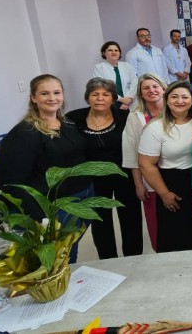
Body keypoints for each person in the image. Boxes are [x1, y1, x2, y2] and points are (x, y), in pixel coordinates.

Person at [0, 74, 93, 263]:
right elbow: (10, 182)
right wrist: (39, 217)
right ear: (33, 98)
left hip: (82, 197)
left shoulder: (67, 123)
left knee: (71, 248)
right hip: (54, 206)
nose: (52, 98)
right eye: (44, 93)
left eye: (57, 92)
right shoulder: (25, 133)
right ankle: (59, 290)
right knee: (59, 256)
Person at [66, 78, 142, 259]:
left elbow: (135, 146)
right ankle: (108, 260)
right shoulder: (74, 118)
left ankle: (134, 259)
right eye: (95, 94)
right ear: (87, 98)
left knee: (130, 218)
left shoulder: (125, 117)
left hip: (124, 175)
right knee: (100, 222)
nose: (100, 98)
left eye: (106, 94)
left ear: (113, 98)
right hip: (92, 179)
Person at [138, 81, 192, 252]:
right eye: (174, 97)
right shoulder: (155, 128)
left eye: (184, 97)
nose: (179, 101)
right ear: (166, 100)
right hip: (173, 185)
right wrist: (164, 193)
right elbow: (146, 164)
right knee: (177, 236)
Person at [92, 41, 136, 110]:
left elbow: (135, 83)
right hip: (111, 103)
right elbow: (100, 87)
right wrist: (121, 99)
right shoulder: (99, 68)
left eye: (116, 50)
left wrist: (128, 100)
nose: (114, 52)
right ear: (104, 53)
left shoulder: (127, 66)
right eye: (110, 50)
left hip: (130, 102)